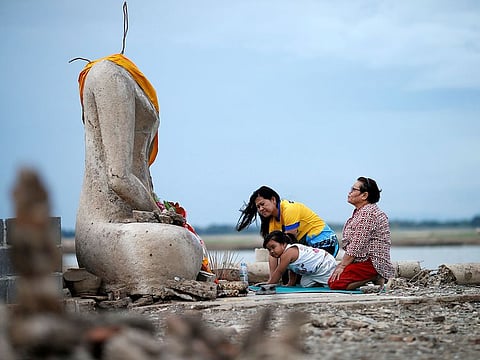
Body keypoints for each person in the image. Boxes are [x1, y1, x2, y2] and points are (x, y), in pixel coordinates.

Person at [328, 177, 395, 290]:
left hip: (372, 261)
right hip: (361, 260)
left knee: (336, 283)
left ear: (364, 195)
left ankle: (375, 275)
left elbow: (356, 245)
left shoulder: (368, 214)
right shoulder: (361, 211)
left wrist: (343, 265)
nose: (349, 193)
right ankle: (371, 277)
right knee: (333, 277)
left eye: (353, 190)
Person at [236, 186, 339, 257]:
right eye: (258, 207)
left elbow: (289, 242)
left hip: (325, 243)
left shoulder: (289, 209)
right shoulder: (272, 221)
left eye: (263, 204)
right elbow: (275, 247)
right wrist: (272, 280)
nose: (261, 209)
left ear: (273, 200)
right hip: (308, 247)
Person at [262, 230, 337, 287]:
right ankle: (319, 283)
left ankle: (328, 280)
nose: (271, 251)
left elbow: (279, 271)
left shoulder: (288, 252)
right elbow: (293, 270)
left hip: (324, 264)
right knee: (304, 284)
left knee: (332, 283)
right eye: (269, 249)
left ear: (283, 243)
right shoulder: (286, 254)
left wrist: (269, 284)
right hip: (313, 272)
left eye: (273, 247)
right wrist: (291, 284)